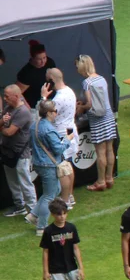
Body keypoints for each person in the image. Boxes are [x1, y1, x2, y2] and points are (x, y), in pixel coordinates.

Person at [74, 55, 117, 192]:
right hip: (108, 115)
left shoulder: (87, 82)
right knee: (110, 149)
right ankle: (109, 178)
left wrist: (82, 107)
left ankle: (100, 181)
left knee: (100, 151)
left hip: (97, 119)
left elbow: (90, 103)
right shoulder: (102, 79)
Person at [28, 101, 69, 235]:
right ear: (49, 113)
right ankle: (41, 227)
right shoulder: (49, 129)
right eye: (55, 111)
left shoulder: (34, 125)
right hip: (48, 165)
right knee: (49, 197)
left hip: (38, 163)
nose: (56, 113)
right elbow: (58, 149)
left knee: (54, 190)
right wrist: (68, 140)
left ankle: (33, 215)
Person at [40, 68, 78, 208]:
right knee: (68, 165)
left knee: (62, 169)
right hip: (70, 130)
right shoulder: (69, 91)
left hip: (61, 134)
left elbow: (46, 116)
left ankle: (65, 200)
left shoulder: (58, 98)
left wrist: (43, 97)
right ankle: (70, 196)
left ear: (51, 80)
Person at [1, 84, 36, 216]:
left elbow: (9, 132)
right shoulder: (8, 108)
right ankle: (19, 205)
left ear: (16, 96)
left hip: (20, 152)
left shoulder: (23, 112)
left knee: (25, 181)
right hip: (8, 151)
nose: (4, 99)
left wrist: (2, 127)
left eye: (7, 96)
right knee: (12, 181)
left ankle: (33, 209)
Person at [15, 41, 55, 108]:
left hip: (51, 101)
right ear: (32, 58)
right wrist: (27, 107)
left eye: (44, 58)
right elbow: (17, 92)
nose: (43, 61)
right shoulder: (26, 73)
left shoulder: (50, 62)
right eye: (39, 59)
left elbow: (55, 79)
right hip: (35, 106)